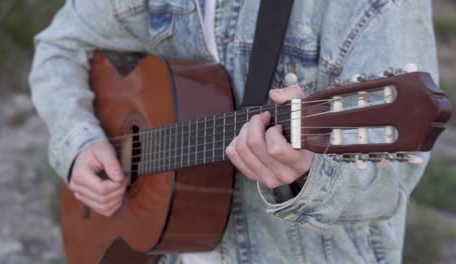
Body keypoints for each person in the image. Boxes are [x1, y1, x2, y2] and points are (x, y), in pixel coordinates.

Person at [29, 0, 438, 263]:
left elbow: (391, 183)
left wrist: (307, 174)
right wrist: (79, 142)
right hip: (176, 248)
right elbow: (59, 47)